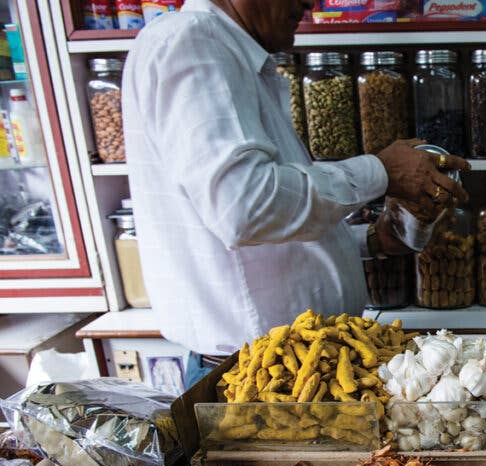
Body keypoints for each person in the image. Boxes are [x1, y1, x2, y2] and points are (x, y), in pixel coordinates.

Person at [121, 0, 468, 383]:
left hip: (296, 364)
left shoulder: (228, 53)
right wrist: (381, 171)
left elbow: (260, 242)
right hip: (260, 376)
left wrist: (372, 239)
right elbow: (245, 207)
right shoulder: (192, 42)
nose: (308, 3)